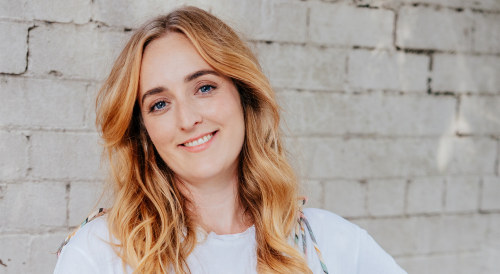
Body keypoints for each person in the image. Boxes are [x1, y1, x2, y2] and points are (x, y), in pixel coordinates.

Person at [53, 6, 406, 274]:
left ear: (244, 95)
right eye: (159, 104)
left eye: (204, 87)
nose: (188, 119)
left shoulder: (329, 243)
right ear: (143, 130)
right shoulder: (100, 253)